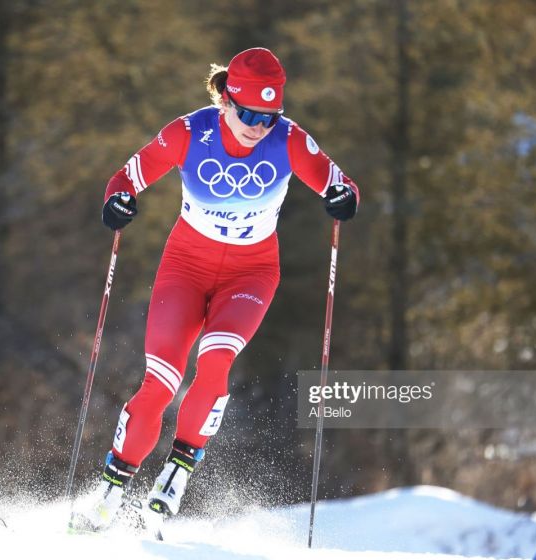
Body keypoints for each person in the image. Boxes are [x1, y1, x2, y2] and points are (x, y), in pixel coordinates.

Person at [71, 48, 359, 532]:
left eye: (269, 117)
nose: (257, 126)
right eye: (247, 113)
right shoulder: (188, 132)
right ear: (225, 100)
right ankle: (110, 491)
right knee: (160, 380)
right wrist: (118, 201)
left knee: (217, 360)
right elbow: (126, 178)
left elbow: (342, 184)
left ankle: (175, 474)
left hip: (252, 273)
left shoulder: (288, 140)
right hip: (185, 267)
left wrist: (342, 197)